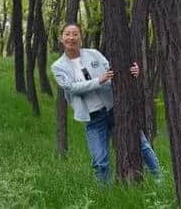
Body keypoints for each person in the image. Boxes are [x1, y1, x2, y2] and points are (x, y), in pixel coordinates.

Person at [51, 23, 161, 183]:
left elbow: (114, 70)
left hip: (115, 109)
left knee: (142, 145)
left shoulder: (93, 54)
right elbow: (71, 87)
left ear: (80, 37)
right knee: (100, 161)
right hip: (94, 119)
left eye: (75, 34)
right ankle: (106, 197)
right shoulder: (58, 66)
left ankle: (159, 180)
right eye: (67, 34)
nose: (71, 38)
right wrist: (99, 81)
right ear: (61, 38)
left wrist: (133, 72)